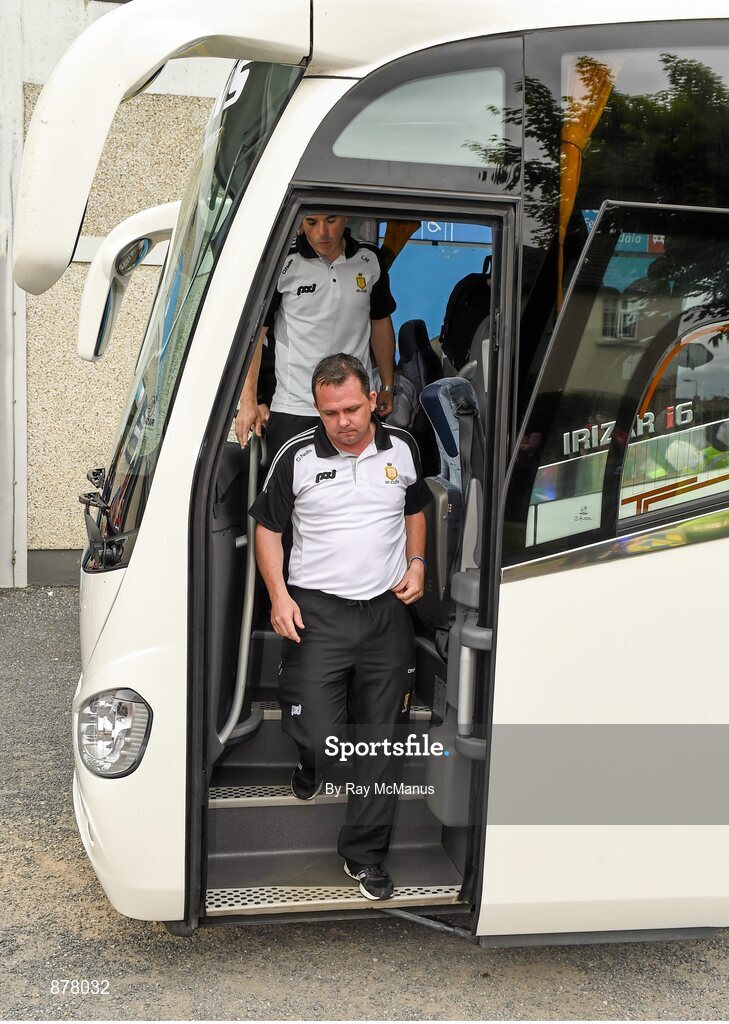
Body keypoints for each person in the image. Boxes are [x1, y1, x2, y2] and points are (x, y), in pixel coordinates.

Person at [249, 353, 430, 901]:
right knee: (326, 741)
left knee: (377, 744)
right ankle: (310, 758)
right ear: (317, 411)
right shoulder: (295, 455)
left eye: (352, 408)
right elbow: (267, 528)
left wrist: (418, 563)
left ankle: (364, 856)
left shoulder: (403, 447)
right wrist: (278, 596)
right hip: (317, 612)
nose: (343, 422)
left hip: (384, 613)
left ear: (373, 399)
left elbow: (415, 508)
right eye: (330, 413)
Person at [235, 214, 398, 463]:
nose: (322, 232)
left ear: (345, 218)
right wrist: (249, 400)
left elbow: (380, 323)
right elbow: (256, 335)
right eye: (311, 223)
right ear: (300, 223)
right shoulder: (282, 261)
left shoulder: (369, 260)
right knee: (290, 498)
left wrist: (387, 386)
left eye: (331, 220)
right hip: (295, 407)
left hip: (354, 407)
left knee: (357, 493)